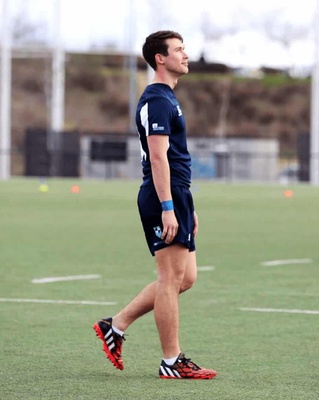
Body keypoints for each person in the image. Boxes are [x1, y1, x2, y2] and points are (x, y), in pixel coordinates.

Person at [93, 30, 217, 380]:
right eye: (178, 50)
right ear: (160, 58)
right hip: (163, 194)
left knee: (185, 278)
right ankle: (171, 360)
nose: (185, 55)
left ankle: (115, 325)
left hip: (177, 193)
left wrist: (186, 205)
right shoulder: (158, 100)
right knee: (169, 277)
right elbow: (159, 158)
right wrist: (168, 206)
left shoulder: (167, 98)